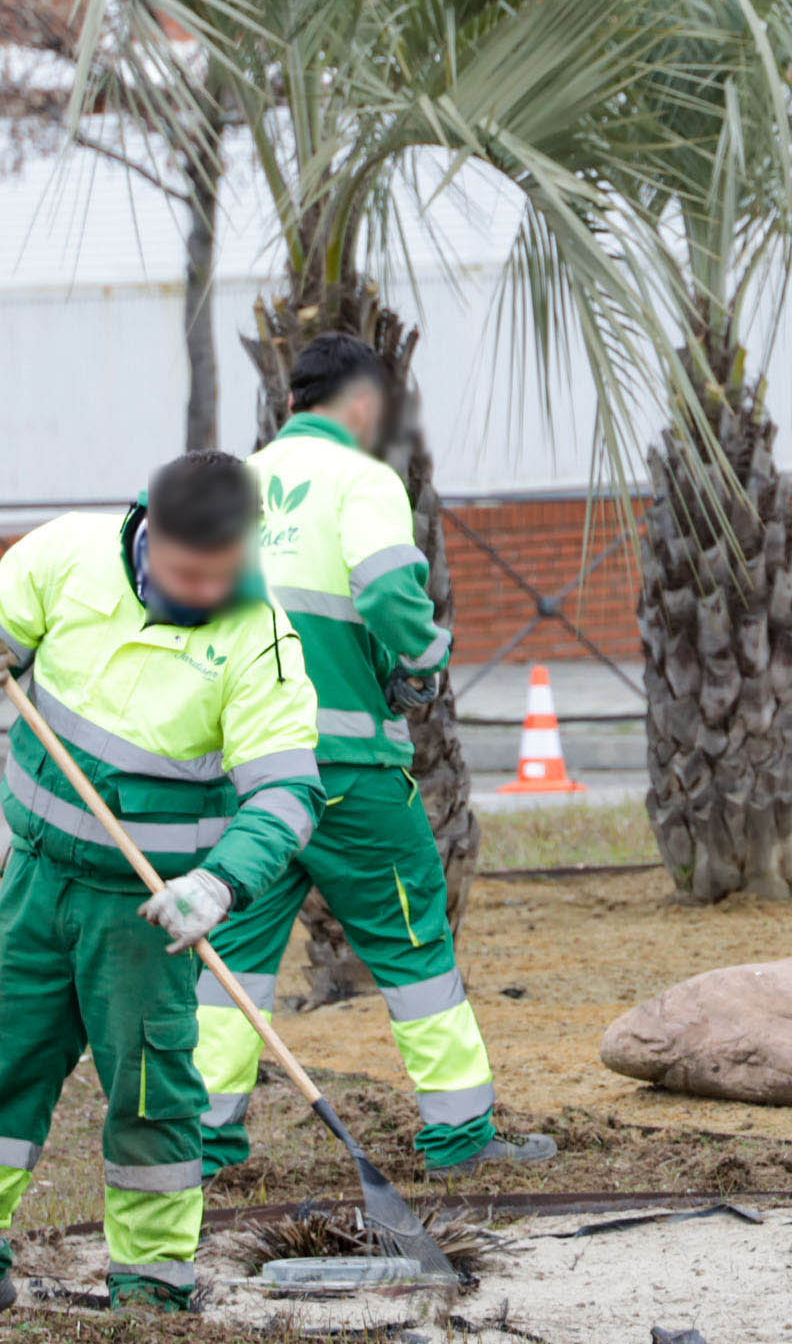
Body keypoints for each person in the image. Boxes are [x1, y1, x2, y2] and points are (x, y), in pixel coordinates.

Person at [0, 452, 319, 1337]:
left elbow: (287, 795)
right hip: (36, 879)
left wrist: (218, 882)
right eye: (187, 572)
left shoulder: (263, 639)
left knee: (150, 1095)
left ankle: (152, 1290)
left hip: (147, 913)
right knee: (0, 1070)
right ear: (148, 531)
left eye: (224, 572)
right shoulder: (66, 553)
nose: (207, 590)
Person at [194, 334, 555, 1180]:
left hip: (243, 775)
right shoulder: (361, 481)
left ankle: (203, 1144)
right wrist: (422, 659)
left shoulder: (228, 486)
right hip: (347, 774)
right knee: (412, 944)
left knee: (230, 961)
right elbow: (391, 589)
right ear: (364, 404)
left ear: (291, 403)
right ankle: (460, 1137)